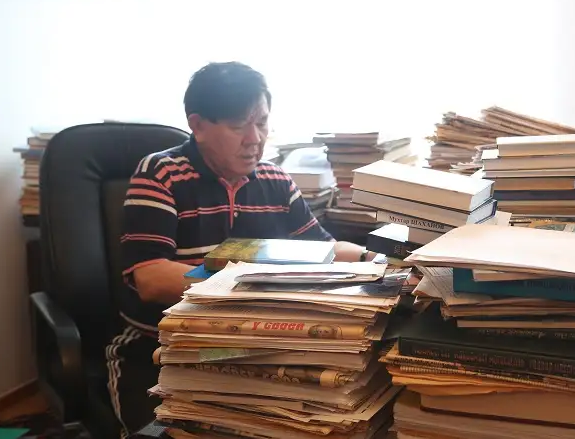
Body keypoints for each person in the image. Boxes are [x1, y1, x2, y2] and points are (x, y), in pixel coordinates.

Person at [106, 62, 377, 435]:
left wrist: (376, 260)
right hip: (165, 347)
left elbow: (325, 248)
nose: (255, 138)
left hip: (253, 348)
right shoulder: (161, 173)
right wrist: (257, 283)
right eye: (238, 126)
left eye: (262, 123)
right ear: (198, 125)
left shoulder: (275, 180)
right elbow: (151, 277)